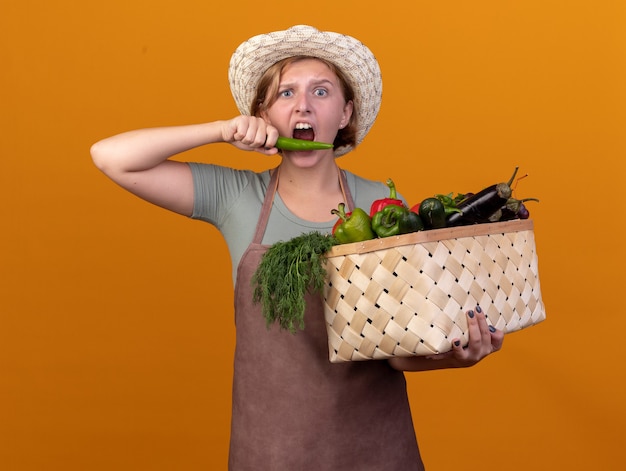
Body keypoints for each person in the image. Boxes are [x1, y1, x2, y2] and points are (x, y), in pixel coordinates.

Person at [91, 25, 504, 470]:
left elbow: (398, 354)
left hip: (375, 451)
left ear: (345, 113)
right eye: (285, 94)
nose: (302, 105)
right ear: (264, 114)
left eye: (321, 92)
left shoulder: (383, 206)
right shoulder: (235, 197)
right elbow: (111, 157)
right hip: (272, 452)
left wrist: (454, 359)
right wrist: (220, 130)